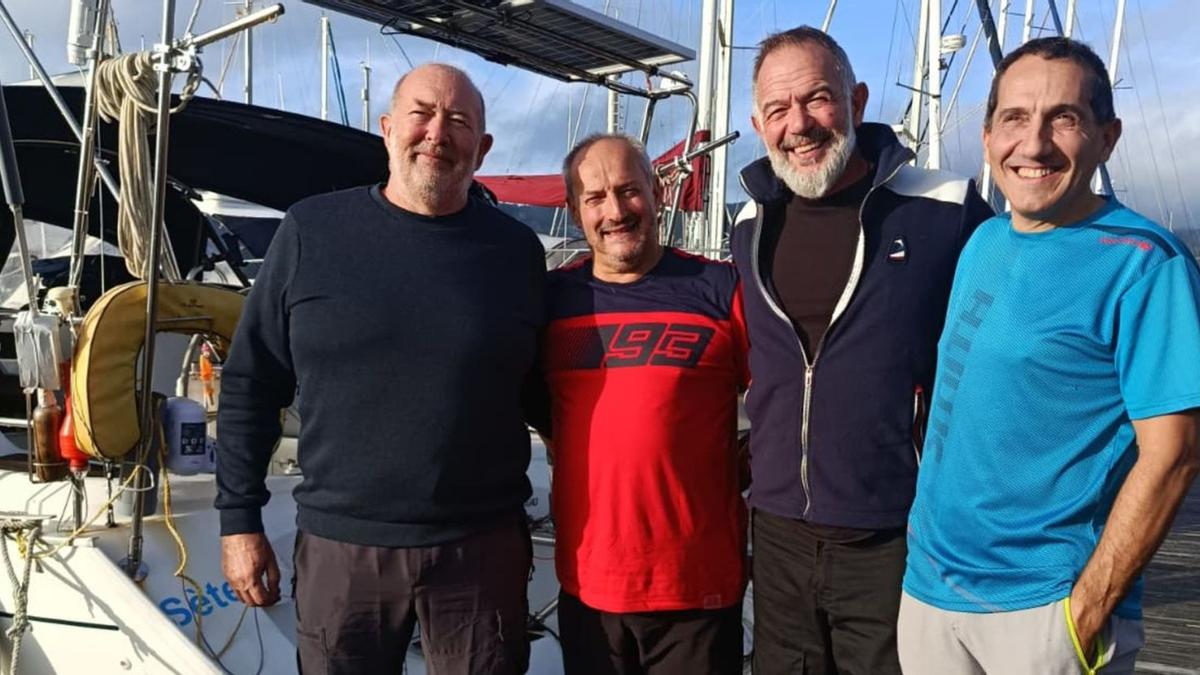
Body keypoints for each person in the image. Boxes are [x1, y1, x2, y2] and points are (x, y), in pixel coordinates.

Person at [215, 63, 545, 674]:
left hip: (480, 551)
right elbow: (250, 383)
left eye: (460, 120)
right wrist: (240, 523)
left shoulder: (515, 251)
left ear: (483, 146)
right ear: (389, 128)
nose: (437, 133)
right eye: (422, 113)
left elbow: (549, 396)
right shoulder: (312, 231)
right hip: (343, 551)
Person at [900, 36, 1200, 675]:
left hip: (1044, 611)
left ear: (1107, 137)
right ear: (987, 137)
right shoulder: (983, 239)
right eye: (1014, 118)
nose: (1032, 144)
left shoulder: (1143, 263)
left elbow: (1174, 454)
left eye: (1063, 118)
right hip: (928, 593)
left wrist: (1087, 611)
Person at [730, 26, 993, 674]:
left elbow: (1003, 356)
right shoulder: (748, 224)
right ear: (758, 123)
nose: (799, 124)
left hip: (893, 536)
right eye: (778, 109)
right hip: (778, 530)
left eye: (817, 98)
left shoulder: (945, 209)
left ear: (858, 99)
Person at [543, 133, 749, 674]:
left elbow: (783, 403)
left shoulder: (720, 287)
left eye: (629, 191)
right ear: (573, 209)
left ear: (657, 193)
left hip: (696, 590)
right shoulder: (552, 301)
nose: (615, 211)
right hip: (589, 587)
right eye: (595, 198)